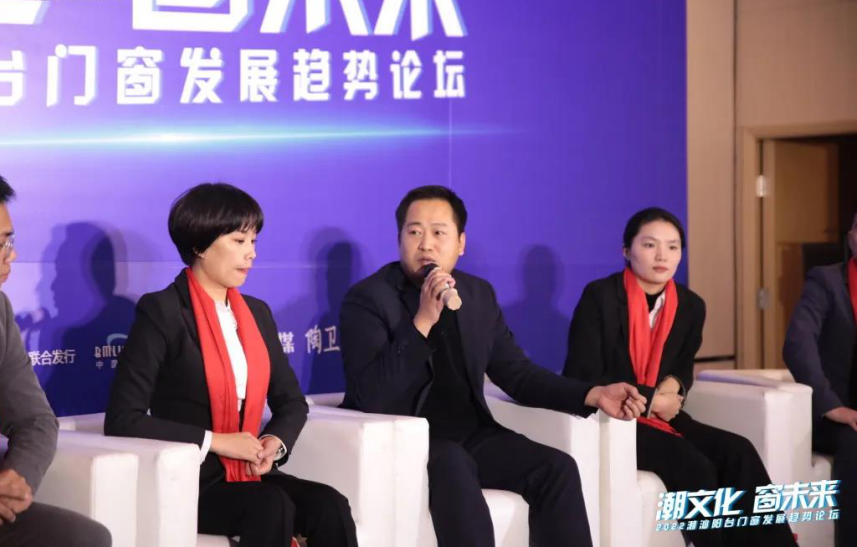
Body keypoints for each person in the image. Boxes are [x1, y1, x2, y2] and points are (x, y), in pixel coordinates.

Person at [339, 185, 647, 547]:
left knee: (557, 468)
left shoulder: (477, 294)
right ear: (399, 239)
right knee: (453, 462)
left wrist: (592, 394)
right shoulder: (369, 299)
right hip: (412, 439)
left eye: (439, 233)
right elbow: (371, 396)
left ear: (460, 243)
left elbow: (518, 374)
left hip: (473, 435)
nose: (426, 245)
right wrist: (421, 321)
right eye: (414, 232)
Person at [105, 183, 357, 547]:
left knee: (329, 505)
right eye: (239, 241)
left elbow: (291, 402)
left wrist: (274, 443)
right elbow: (122, 419)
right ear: (199, 245)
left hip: (249, 473)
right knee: (270, 505)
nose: (251, 253)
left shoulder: (256, 313)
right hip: (191, 478)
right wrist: (219, 442)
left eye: (253, 241)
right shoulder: (162, 312)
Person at [563, 206, 797, 547]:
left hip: (661, 415)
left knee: (738, 451)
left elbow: (683, 363)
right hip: (613, 417)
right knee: (691, 463)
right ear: (626, 250)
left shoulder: (690, 305)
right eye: (650, 245)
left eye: (672, 247)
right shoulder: (600, 297)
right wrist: (652, 399)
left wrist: (675, 384)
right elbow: (582, 371)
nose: (662, 255)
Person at [0, 159, 112, 547]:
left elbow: (35, 420)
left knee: (84, 538)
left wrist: (17, 477)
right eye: (1, 244)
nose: (12, 255)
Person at [784, 210, 857, 547]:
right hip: (837, 415)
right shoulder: (826, 281)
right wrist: (832, 406)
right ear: (851, 237)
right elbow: (797, 345)